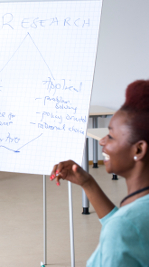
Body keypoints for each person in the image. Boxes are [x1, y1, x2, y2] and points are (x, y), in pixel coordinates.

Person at [50, 79, 149, 266]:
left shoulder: (124, 229)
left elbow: (124, 229)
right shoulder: (135, 218)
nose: (102, 141)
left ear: (138, 150)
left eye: (110, 136)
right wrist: (88, 183)